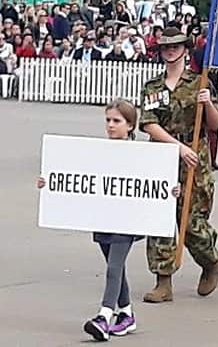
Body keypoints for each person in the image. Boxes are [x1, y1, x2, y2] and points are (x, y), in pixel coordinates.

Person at [37, 99, 152, 341]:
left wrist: (170, 191)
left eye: (117, 121)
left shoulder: (143, 155)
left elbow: (154, 182)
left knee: (113, 267)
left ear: (130, 125)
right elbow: (72, 175)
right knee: (115, 265)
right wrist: (49, 183)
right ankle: (126, 314)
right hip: (102, 216)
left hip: (127, 219)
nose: (111, 126)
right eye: (108, 120)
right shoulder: (98, 153)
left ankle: (104, 315)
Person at [140, 27, 218, 303]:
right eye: (165, 47)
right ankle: (163, 280)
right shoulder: (152, 86)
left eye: (175, 46)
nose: (170, 51)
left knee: (191, 221)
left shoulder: (200, 83)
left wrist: (208, 103)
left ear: (186, 50)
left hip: (195, 156)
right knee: (160, 218)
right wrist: (177, 147)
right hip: (163, 155)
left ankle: (210, 260)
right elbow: (149, 124)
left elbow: (214, 124)